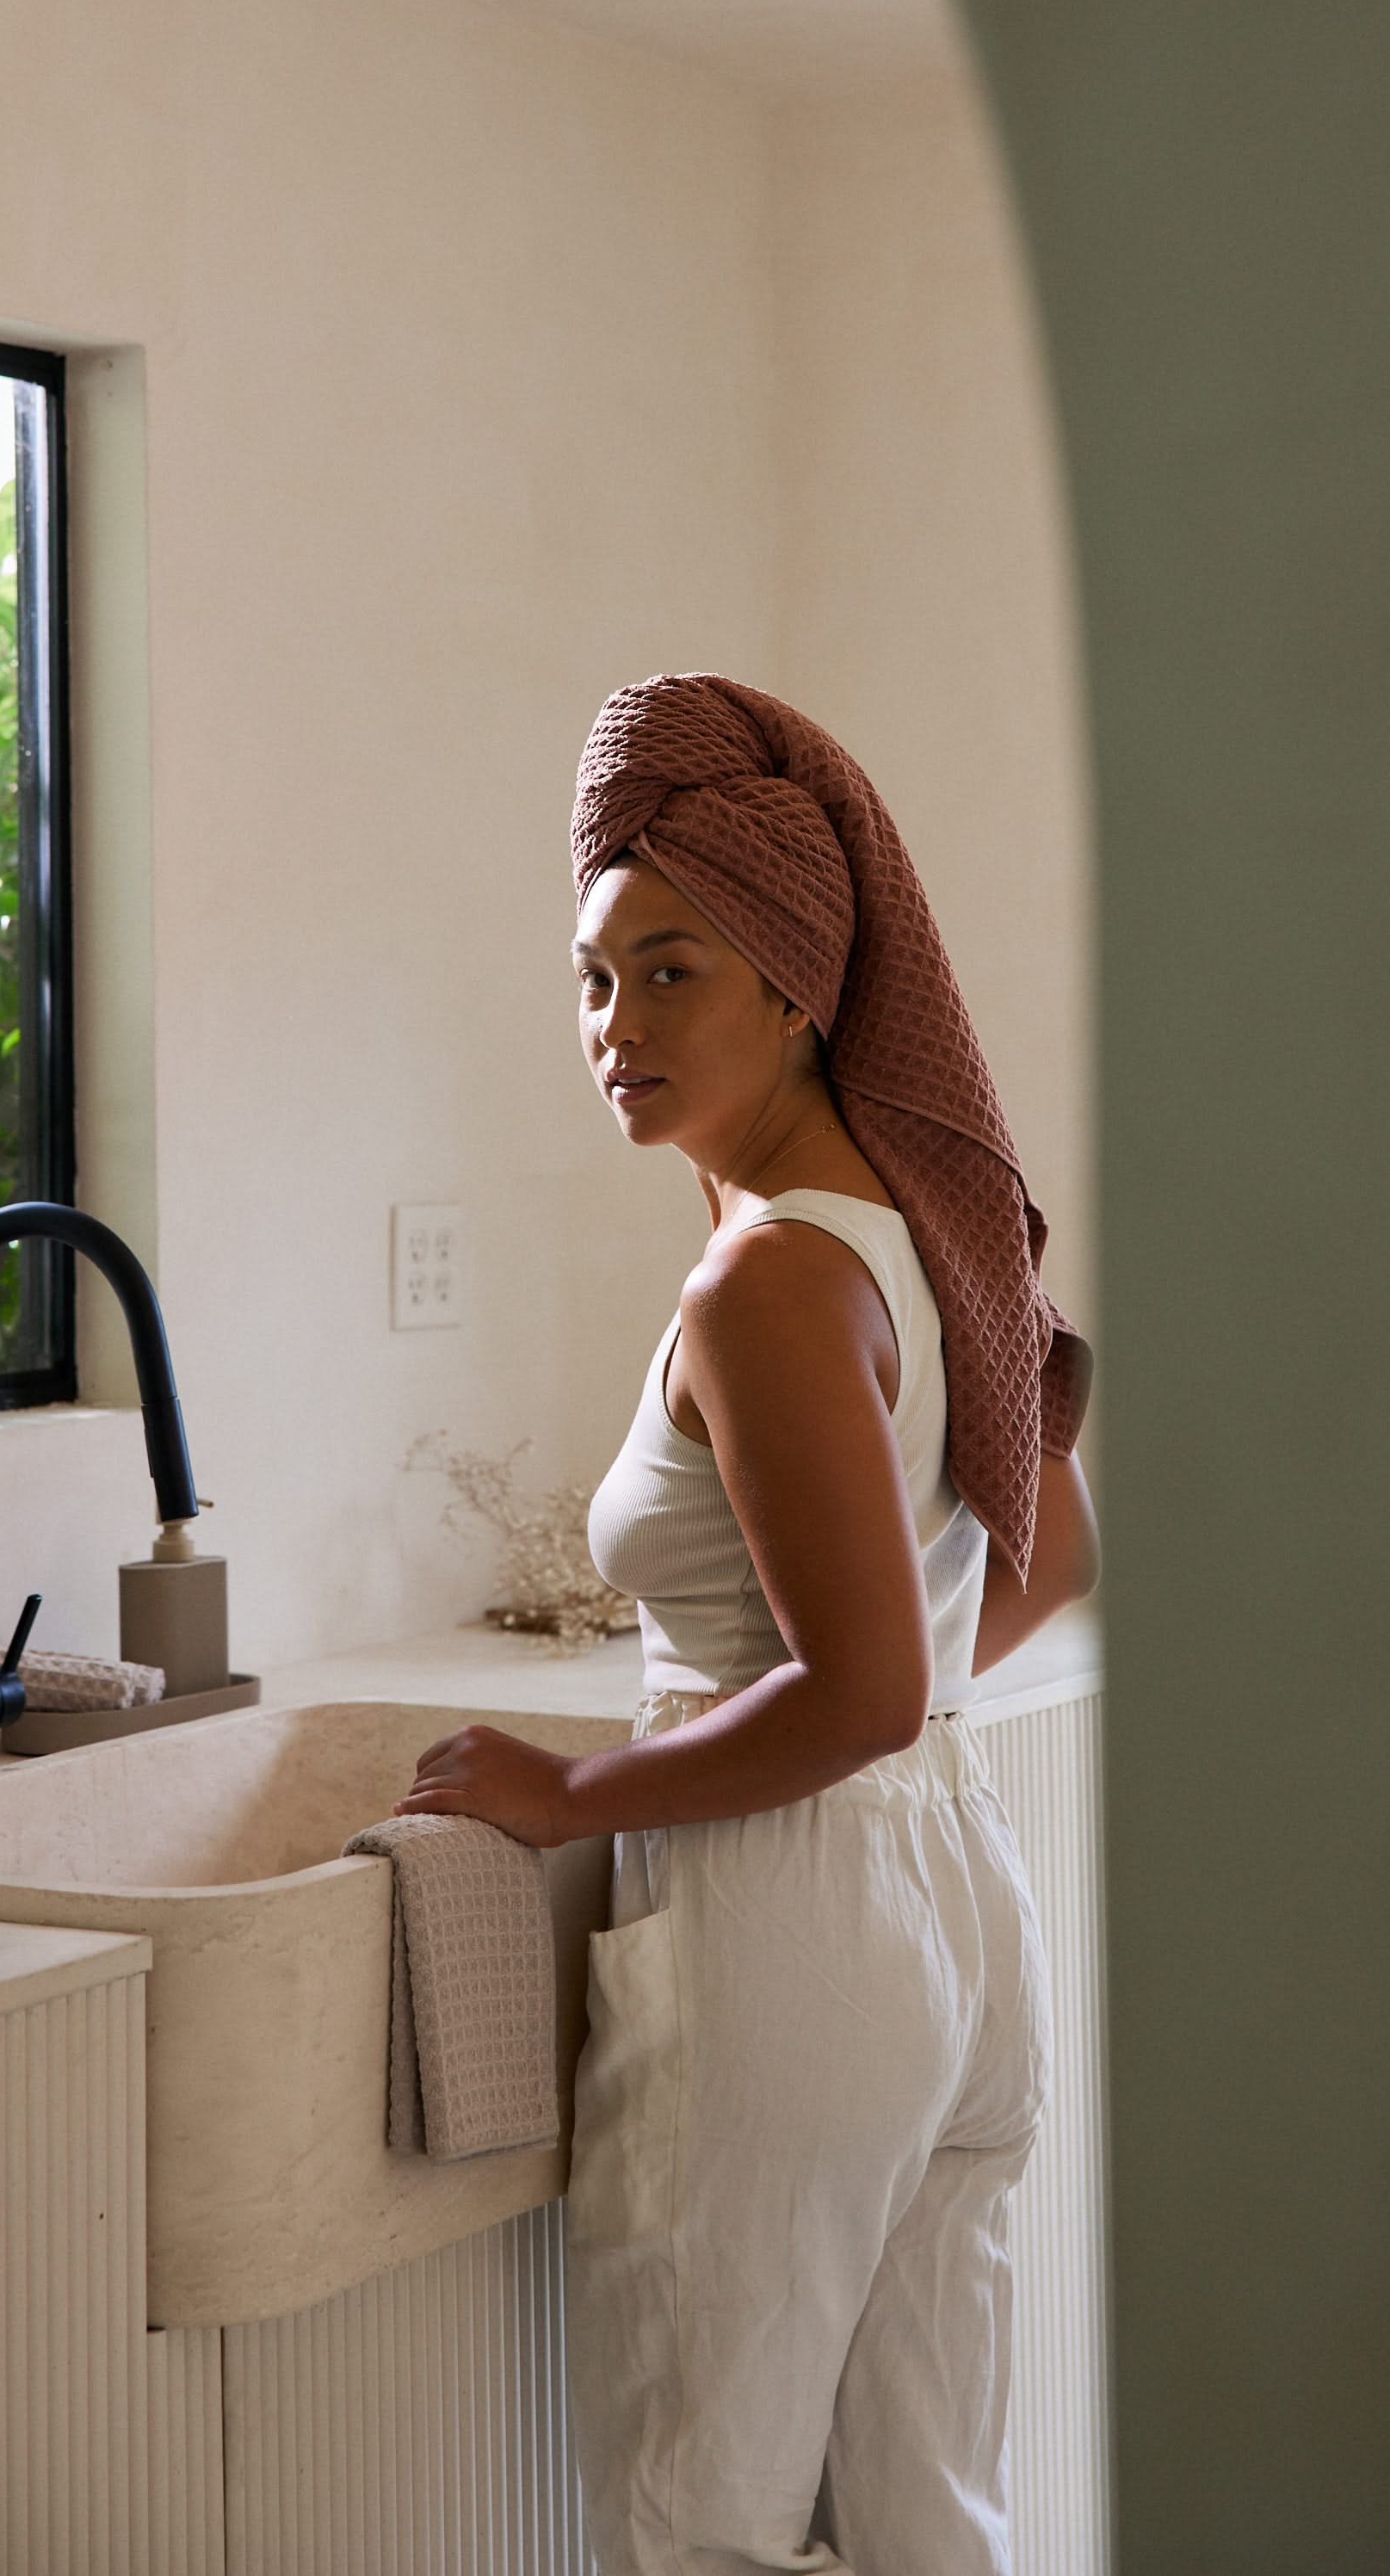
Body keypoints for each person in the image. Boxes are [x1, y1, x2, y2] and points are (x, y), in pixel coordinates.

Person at [397, 673, 1099, 2576]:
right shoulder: (916, 1235)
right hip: (954, 1906)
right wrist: (887, 1689)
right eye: (591, 976)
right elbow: (1043, 1556)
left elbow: (855, 1687)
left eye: (670, 968)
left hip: (786, 1924)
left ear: (797, 982)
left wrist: (574, 1788)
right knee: (923, 2515)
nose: (614, 1024)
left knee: (685, 2523)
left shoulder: (772, 1275)